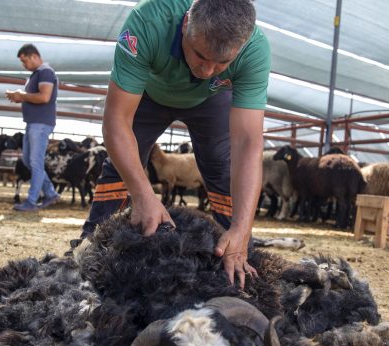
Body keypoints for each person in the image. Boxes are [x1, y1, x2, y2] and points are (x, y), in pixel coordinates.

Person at [78, 0, 271, 289]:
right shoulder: (147, 23)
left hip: (212, 98)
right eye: (200, 55)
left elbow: (247, 144)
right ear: (185, 25)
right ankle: (90, 244)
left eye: (223, 62)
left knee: (221, 166)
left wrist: (243, 229)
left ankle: (238, 248)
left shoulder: (255, 49)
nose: (207, 70)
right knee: (122, 167)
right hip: (149, 92)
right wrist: (143, 195)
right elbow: (116, 121)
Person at [6, 43, 60, 211]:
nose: (24, 65)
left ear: (34, 56)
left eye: (25, 61)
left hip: (41, 123)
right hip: (33, 122)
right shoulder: (37, 74)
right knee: (29, 161)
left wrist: (21, 96)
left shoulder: (45, 72)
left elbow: (44, 97)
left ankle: (31, 201)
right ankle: (50, 193)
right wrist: (20, 97)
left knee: (35, 162)